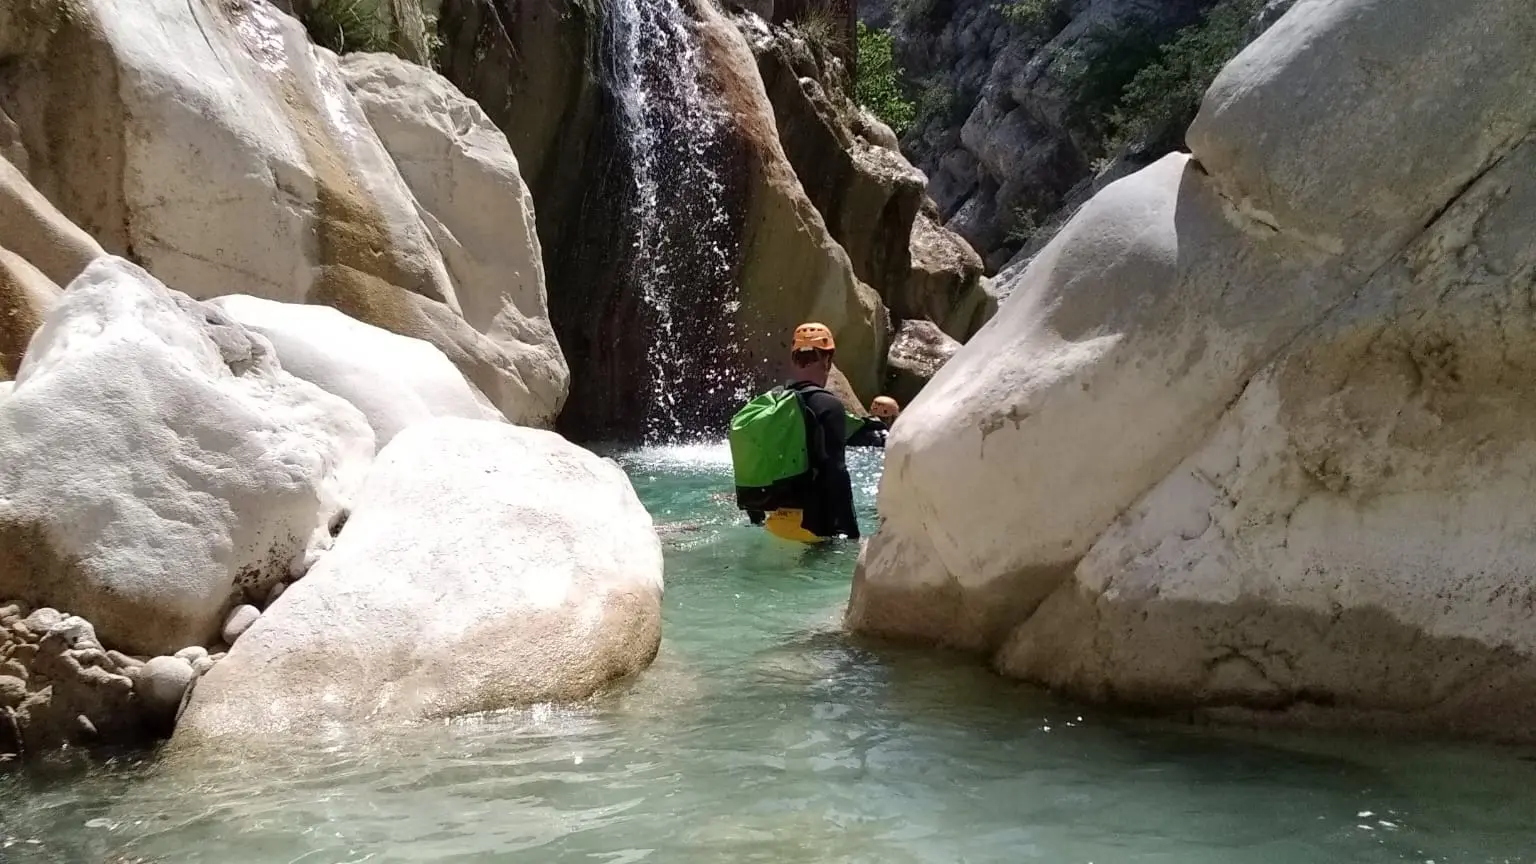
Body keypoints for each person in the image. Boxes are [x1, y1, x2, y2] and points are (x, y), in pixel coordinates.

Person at [729, 322, 862, 543]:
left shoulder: (775, 406)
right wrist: (852, 535)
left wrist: (757, 518)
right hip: (815, 530)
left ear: (793, 360)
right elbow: (836, 473)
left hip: (775, 528)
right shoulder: (828, 405)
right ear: (828, 360)